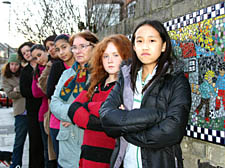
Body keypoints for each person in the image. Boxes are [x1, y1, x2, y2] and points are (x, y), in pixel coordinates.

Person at [99, 20, 192, 168]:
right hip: (125, 162)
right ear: (134, 47)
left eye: (152, 40)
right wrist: (155, 116)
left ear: (163, 46)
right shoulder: (126, 77)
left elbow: (172, 131)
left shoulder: (176, 80)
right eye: (140, 41)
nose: (145, 46)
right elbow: (106, 116)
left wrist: (124, 129)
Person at [67, 34, 132, 168]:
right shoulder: (96, 82)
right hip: (87, 155)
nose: (110, 61)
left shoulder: (127, 86)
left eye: (116, 55)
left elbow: (118, 119)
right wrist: (103, 117)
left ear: (126, 56)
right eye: (106, 56)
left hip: (110, 157)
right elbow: (73, 109)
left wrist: (87, 106)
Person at [50, 30, 99, 168]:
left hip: (89, 141)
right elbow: (54, 103)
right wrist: (72, 114)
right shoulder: (67, 74)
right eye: (74, 47)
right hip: (67, 144)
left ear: (94, 46)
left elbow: (99, 107)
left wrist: (72, 116)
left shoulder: (101, 74)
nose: (77, 51)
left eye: (82, 46)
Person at [18, 42, 44, 168]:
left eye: (28, 50)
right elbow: (24, 91)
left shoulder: (43, 66)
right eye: (24, 53)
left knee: (46, 144)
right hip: (33, 111)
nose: (27, 54)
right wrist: (37, 91)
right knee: (35, 143)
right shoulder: (26, 71)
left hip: (46, 109)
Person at [1, 53, 27, 168]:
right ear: (8, 64)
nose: (14, 67)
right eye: (12, 64)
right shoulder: (6, 78)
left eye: (16, 64)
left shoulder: (25, 73)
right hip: (20, 112)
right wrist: (21, 89)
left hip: (32, 110)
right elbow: (10, 94)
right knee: (19, 141)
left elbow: (29, 87)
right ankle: (16, 164)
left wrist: (18, 88)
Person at [30, 44, 49, 168]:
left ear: (46, 51)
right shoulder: (37, 71)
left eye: (39, 55)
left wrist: (42, 86)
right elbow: (36, 93)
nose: (38, 59)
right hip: (43, 115)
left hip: (54, 113)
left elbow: (49, 90)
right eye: (35, 58)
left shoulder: (54, 66)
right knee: (47, 151)